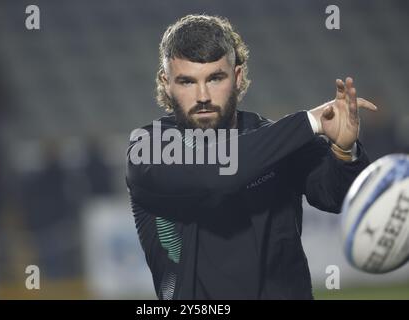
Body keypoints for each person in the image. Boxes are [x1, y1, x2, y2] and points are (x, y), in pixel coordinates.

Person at [125, 14, 377, 299]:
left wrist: (344, 151)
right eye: (187, 82)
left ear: (237, 76)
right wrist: (310, 122)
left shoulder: (273, 137)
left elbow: (335, 196)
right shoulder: (149, 147)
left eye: (215, 78)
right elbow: (216, 175)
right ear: (166, 82)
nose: (203, 95)